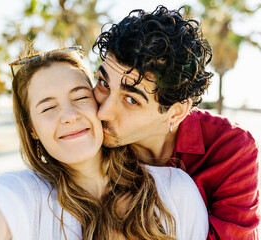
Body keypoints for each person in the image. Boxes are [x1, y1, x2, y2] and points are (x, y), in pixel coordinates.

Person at [0, 47, 208, 240]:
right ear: (32, 129)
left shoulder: (174, 191)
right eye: (47, 108)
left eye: (80, 97)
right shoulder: (28, 196)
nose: (69, 115)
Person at [92, 5, 260, 240]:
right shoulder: (87, 139)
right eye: (103, 83)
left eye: (131, 99)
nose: (103, 113)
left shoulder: (229, 149)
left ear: (176, 112)